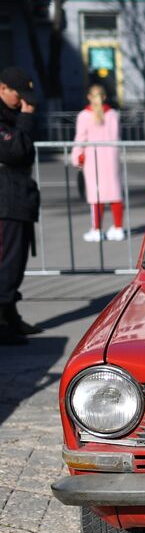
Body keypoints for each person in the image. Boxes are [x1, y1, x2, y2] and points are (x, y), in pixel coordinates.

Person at [0, 66, 42, 344]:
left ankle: (10, 315)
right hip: (5, 200)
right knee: (6, 263)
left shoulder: (12, 115)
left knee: (15, 263)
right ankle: (2, 324)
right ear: (2, 89)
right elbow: (15, 151)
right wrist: (26, 119)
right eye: (19, 95)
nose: (24, 101)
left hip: (16, 198)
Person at [71, 82, 126, 242]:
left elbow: (80, 139)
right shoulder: (113, 114)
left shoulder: (84, 116)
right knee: (115, 192)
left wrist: (76, 156)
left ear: (89, 97)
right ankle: (118, 227)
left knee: (96, 194)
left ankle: (96, 229)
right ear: (104, 97)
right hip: (111, 156)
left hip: (93, 158)